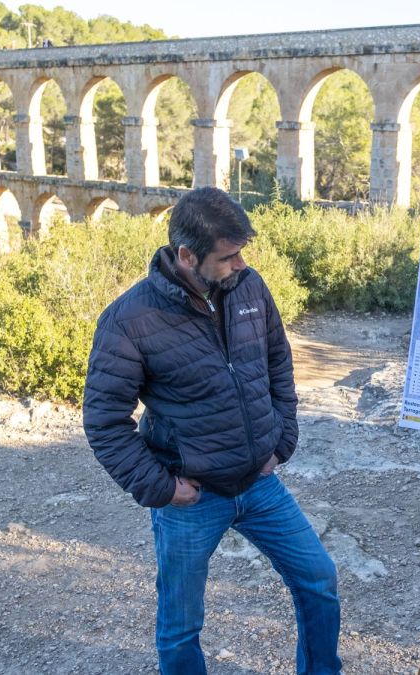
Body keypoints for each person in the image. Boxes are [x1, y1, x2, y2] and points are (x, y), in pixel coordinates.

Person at [83, 187, 342, 674]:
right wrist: (161, 488)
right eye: (228, 255)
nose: (241, 263)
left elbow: (277, 362)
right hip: (192, 497)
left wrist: (281, 441)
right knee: (181, 626)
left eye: (242, 251)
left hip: (261, 484)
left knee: (319, 580)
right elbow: (103, 423)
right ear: (186, 255)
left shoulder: (249, 287)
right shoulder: (129, 321)